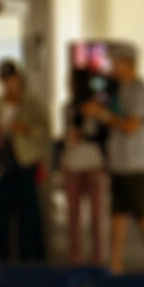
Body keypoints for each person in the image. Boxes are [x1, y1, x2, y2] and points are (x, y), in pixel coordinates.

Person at [83, 44, 144, 274]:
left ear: (129, 64)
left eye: (116, 63)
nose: (112, 68)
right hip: (118, 162)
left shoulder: (140, 91)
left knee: (142, 215)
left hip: (135, 163)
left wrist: (102, 115)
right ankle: (115, 262)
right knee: (117, 215)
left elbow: (131, 126)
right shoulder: (116, 90)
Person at [0, 60, 51, 263]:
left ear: (19, 79)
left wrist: (24, 128)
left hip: (25, 161)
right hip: (3, 161)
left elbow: (44, 129)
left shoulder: (31, 102)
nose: (8, 84)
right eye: (4, 80)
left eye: (11, 79)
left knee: (28, 213)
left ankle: (31, 258)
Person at [59, 64, 110, 266]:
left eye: (71, 80)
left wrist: (86, 131)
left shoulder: (97, 106)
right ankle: (75, 256)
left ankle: (99, 257)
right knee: (72, 214)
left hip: (93, 162)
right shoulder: (67, 107)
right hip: (72, 162)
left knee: (97, 214)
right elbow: (67, 134)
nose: (68, 84)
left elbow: (102, 134)